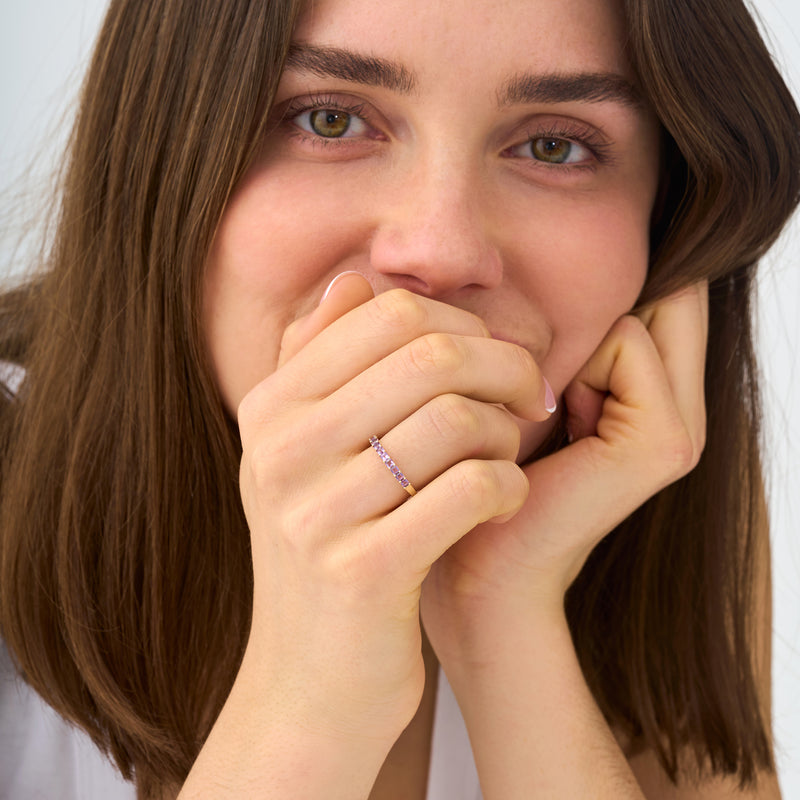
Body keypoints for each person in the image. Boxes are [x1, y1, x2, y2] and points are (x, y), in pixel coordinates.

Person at [1, 0, 798, 797]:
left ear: (669, 222)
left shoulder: (640, 491)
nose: (441, 251)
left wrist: (503, 610)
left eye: (554, 146)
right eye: (331, 120)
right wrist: (307, 691)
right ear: (158, 153)